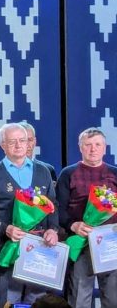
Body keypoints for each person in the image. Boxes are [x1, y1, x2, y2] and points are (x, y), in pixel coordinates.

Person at [0, 123, 59, 308]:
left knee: (38, 301)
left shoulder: (43, 171)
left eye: (22, 140)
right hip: (8, 248)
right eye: (12, 142)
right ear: (2, 145)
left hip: (39, 247)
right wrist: (6, 228)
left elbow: (53, 204)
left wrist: (53, 230)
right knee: (10, 300)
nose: (18, 145)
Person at [56, 127, 117, 308]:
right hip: (80, 242)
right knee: (79, 299)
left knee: (113, 298)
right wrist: (73, 225)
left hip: (110, 245)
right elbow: (58, 208)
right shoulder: (68, 173)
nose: (93, 149)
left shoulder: (115, 173)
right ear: (80, 147)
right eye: (88, 145)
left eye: (97, 144)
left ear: (104, 148)